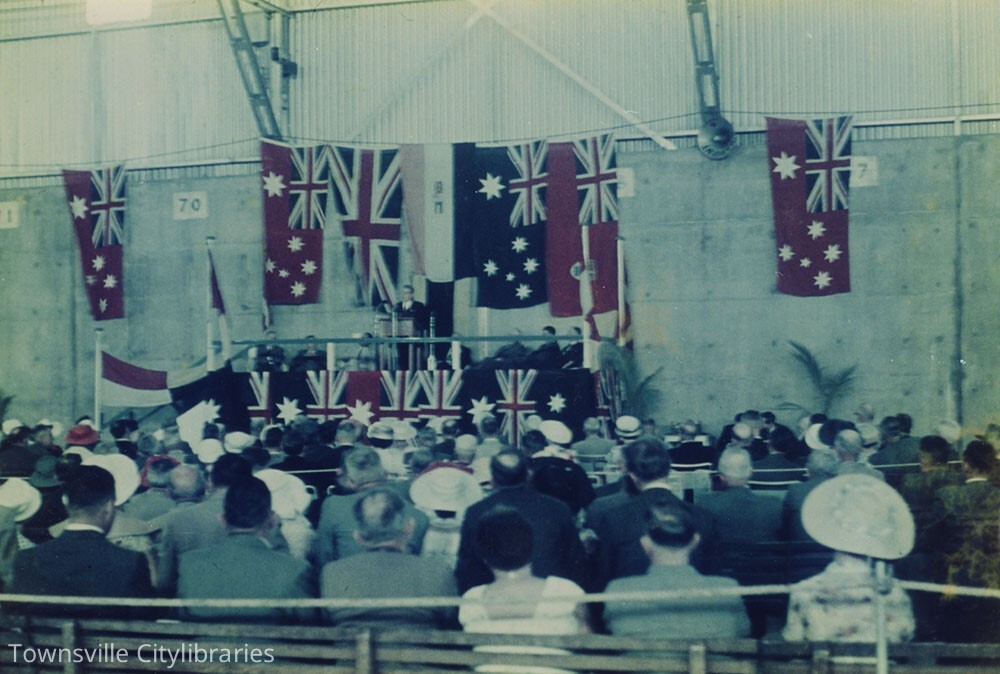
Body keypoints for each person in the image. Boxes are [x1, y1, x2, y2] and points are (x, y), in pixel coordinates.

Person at [783, 474, 915, 643]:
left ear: (833, 531)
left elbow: (793, 642)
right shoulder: (895, 593)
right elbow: (905, 638)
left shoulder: (804, 592)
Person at [11, 465, 155, 618]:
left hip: (44, 641)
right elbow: (145, 619)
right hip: (108, 642)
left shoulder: (25, 559)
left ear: (66, 503)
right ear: (108, 507)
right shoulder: (131, 562)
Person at [459, 508, 588, 672]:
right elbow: (587, 639)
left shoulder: (472, 599)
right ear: (532, 547)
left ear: (483, 555)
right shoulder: (566, 590)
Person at [604, 498, 750, 639]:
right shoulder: (728, 589)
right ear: (695, 541)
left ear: (645, 544)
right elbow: (743, 632)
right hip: (712, 664)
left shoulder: (618, 590)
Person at [177, 476, 315, 623]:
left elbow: (182, 618)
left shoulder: (189, 563)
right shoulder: (295, 569)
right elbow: (310, 626)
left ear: (222, 521)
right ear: (272, 520)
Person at [321, 487, 456, 628]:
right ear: (409, 528)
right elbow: (451, 625)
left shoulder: (332, 573)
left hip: (352, 649)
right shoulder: (438, 572)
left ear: (358, 537)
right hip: (419, 650)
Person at [456, 450, 587, 593]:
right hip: (550, 594)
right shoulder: (557, 508)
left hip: (496, 597)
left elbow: (467, 567)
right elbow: (576, 562)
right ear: (528, 475)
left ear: (493, 478)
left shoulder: (476, 512)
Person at [315, 446, 428, 565]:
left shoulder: (333, 506)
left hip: (346, 578)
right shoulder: (417, 514)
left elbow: (323, 556)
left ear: (350, 481)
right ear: (385, 474)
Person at [696, 447, 781, 544]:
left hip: (723, 559)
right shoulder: (774, 505)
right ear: (750, 472)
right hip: (765, 559)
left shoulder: (705, 503)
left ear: (720, 476)